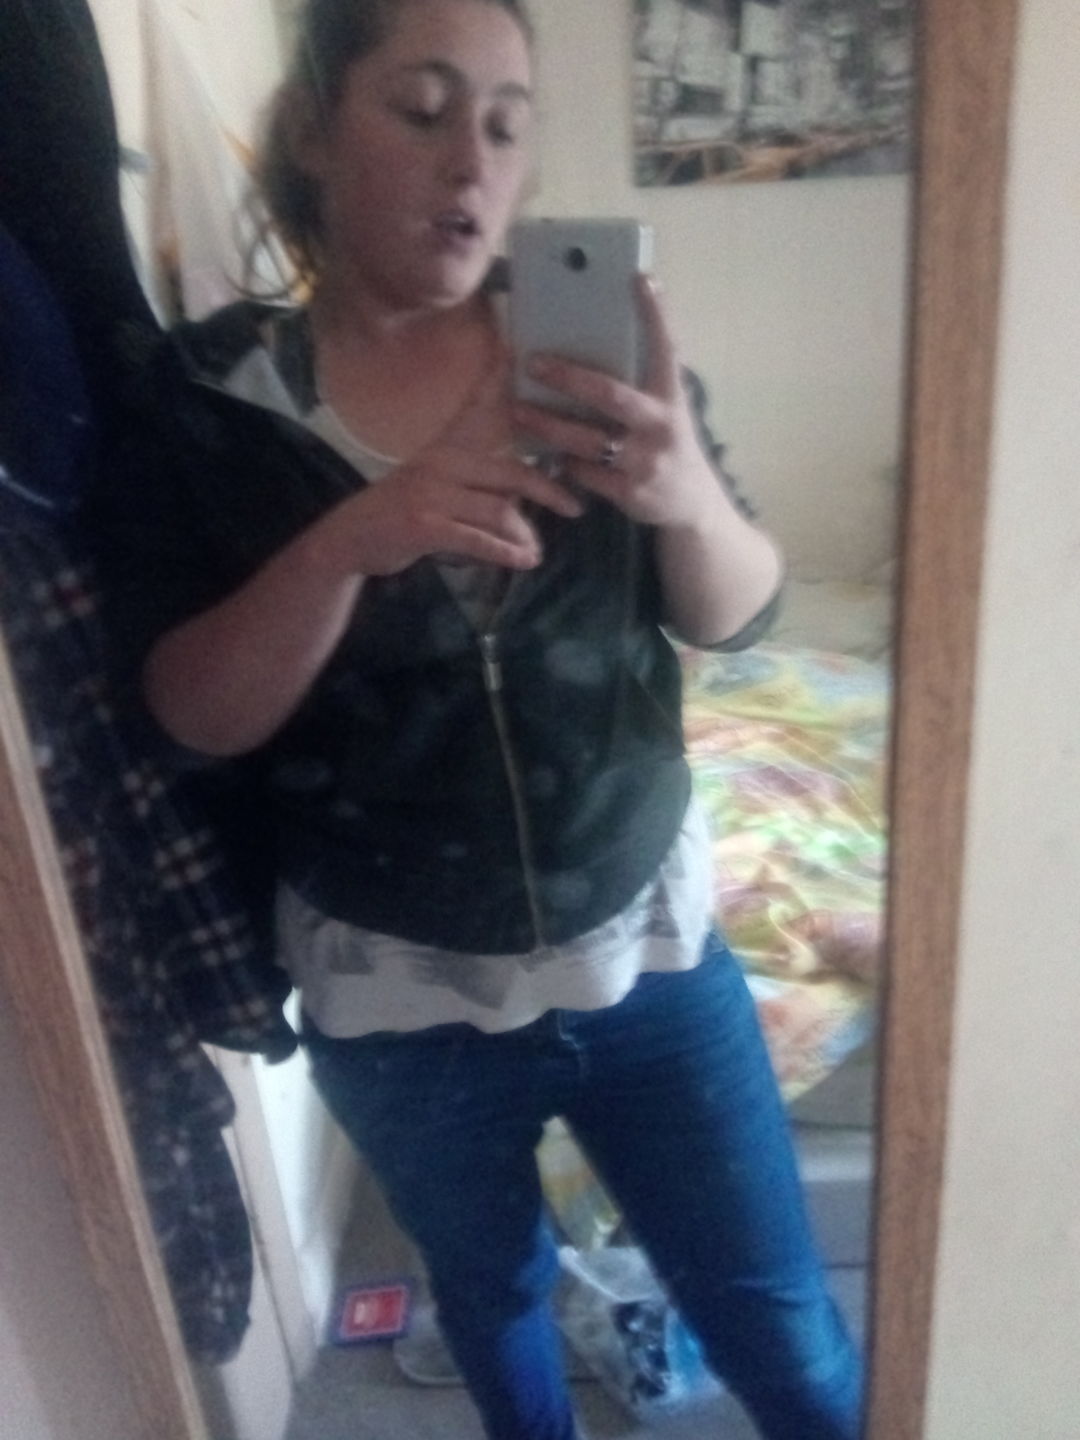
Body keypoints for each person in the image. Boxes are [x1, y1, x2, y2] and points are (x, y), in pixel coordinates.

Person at [91, 1, 863, 1436]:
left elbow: (738, 618)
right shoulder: (206, 401)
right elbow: (188, 719)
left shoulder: (595, 358)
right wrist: (348, 542)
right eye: (424, 109)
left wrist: (686, 490)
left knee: (783, 1329)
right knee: (496, 1303)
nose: (473, 164)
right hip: (396, 1000)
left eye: (507, 126)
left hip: (647, 960)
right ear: (314, 130)